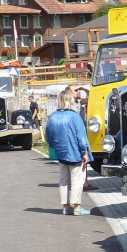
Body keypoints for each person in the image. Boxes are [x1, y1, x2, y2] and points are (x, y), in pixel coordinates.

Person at [44, 87, 92, 215]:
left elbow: (48, 136)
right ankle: (77, 207)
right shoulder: (75, 117)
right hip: (75, 152)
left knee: (63, 179)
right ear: (70, 100)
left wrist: (56, 147)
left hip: (61, 153)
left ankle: (66, 206)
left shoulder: (52, 117)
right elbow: (81, 138)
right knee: (77, 180)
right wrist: (84, 152)